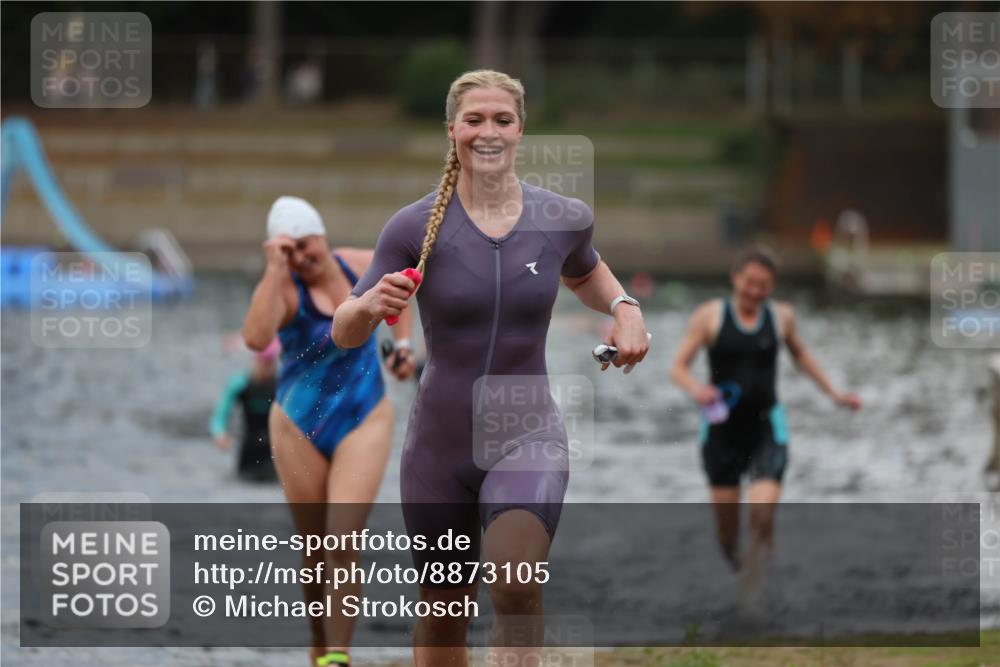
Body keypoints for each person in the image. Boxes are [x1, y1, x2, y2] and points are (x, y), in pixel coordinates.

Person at [333, 70, 650, 667]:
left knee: (513, 580)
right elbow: (343, 330)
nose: (488, 132)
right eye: (474, 119)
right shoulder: (412, 227)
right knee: (444, 604)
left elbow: (587, 272)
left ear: (521, 129)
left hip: (525, 433)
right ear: (452, 128)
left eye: (502, 119)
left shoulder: (562, 217)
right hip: (439, 446)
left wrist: (625, 308)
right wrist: (371, 305)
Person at [242, 196, 416, 667]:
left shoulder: (358, 264)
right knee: (315, 549)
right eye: (288, 250)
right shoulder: (285, 288)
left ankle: (338, 654)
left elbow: (405, 285)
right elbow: (256, 338)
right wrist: (276, 268)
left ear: (321, 235)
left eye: (304, 245)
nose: (301, 256)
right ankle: (320, 646)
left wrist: (401, 345)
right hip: (298, 424)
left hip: (364, 415)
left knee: (342, 539)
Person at [670, 246, 862, 587]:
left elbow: (801, 356)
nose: (755, 291)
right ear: (736, 278)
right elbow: (678, 367)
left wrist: (834, 393)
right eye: (750, 283)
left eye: (764, 285)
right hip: (721, 434)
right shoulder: (709, 316)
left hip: (766, 429)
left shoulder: (781, 317)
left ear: (772, 287)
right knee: (727, 537)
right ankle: (742, 569)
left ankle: (758, 588)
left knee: (761, 513)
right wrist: (698, 390)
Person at [209, 338, 279, 482]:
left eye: (269, 363)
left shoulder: (282, 384)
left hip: (274, 451)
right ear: (255, 360)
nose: (265, 367)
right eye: (262, 362)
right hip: (249, 448)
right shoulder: (240, 384)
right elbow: (220, 415)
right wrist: (220, 434)